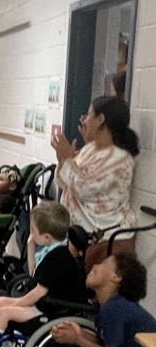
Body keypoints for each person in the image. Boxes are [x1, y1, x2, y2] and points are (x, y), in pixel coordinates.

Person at [0, 202, 86, 347]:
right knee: (0, 302)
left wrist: (18, 303)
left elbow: (38, 291)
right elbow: (33, 273)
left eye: (33, 230)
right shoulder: (54, 249)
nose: (30, 232)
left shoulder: (57, 258)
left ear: (47, 236)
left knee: (4, 312)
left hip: (49, 311)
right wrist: (30, 244)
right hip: (44, 303)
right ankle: (8, 346)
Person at [52, 95, 140, 273]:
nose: (84, 120)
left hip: (104, 238)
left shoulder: (120, 158)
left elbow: (85, 188)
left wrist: (69, 159)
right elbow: (64, 182)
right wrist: (62, 160)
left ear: (101, 119)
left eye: (89, 115)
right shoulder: (91, 148)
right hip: (79, 235)